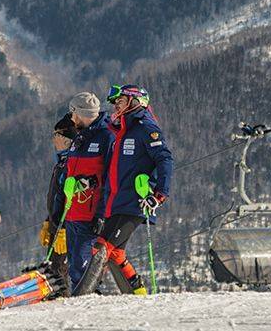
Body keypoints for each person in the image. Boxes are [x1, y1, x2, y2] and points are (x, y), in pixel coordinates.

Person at [73, 84, 173, 296]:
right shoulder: (120, 131)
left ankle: (82, 296)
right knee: (116, 254)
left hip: (135, 203)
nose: (116, 106)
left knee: (102, 248)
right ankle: (139, 295)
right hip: (116, 202)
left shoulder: (147, 128)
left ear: (134, 102)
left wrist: (159, 195)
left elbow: (164, 159)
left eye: (120, 101)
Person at [63, 92, 119, 294]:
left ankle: (88, 307)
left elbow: (110, 179)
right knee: (74, 267)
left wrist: (102, 214)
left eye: (72, 113)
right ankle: (79, 308)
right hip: (72, 213)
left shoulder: (106, 137)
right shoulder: (79, 138)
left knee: (84, 268)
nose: (71, 118)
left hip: (91, 214)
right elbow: (68, 173)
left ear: (80, 113)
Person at [40, 113, 78, 290]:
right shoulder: (60, 163)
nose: (54, 141)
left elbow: (70, 199)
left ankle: (63, 299)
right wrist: (49, 222)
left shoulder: (72, 164)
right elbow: (55, 197)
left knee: (60, 270)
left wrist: (62, 228)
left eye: (58, 137)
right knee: (54, 269)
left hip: (67, 226)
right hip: (57, 224)